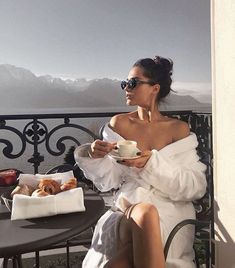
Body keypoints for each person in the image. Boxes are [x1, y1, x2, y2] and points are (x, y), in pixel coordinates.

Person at [74, 56, 207, 268]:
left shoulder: (178, 129)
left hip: (170, 212)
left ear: (155, 88)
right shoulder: (120, 123)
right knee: (145, 213)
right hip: (129, 208)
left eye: (133, 83)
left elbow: (195, 187)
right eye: (124, 83)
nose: (126, 87)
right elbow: (109, 180)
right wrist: (94, 156)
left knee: (128, 255)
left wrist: (150, 165)